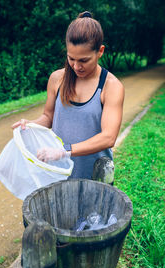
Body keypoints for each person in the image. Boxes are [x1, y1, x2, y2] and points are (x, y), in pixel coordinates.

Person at [12, 11, 124, 180]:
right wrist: (31, 124)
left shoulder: (111, 86)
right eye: (71, 58)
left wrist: (65, 150)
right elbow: (48, 117)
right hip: (59, 172)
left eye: (84, 60)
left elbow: (108, 138)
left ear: (100, 51)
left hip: (95, 177)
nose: (76, 66)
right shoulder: (57, 79)